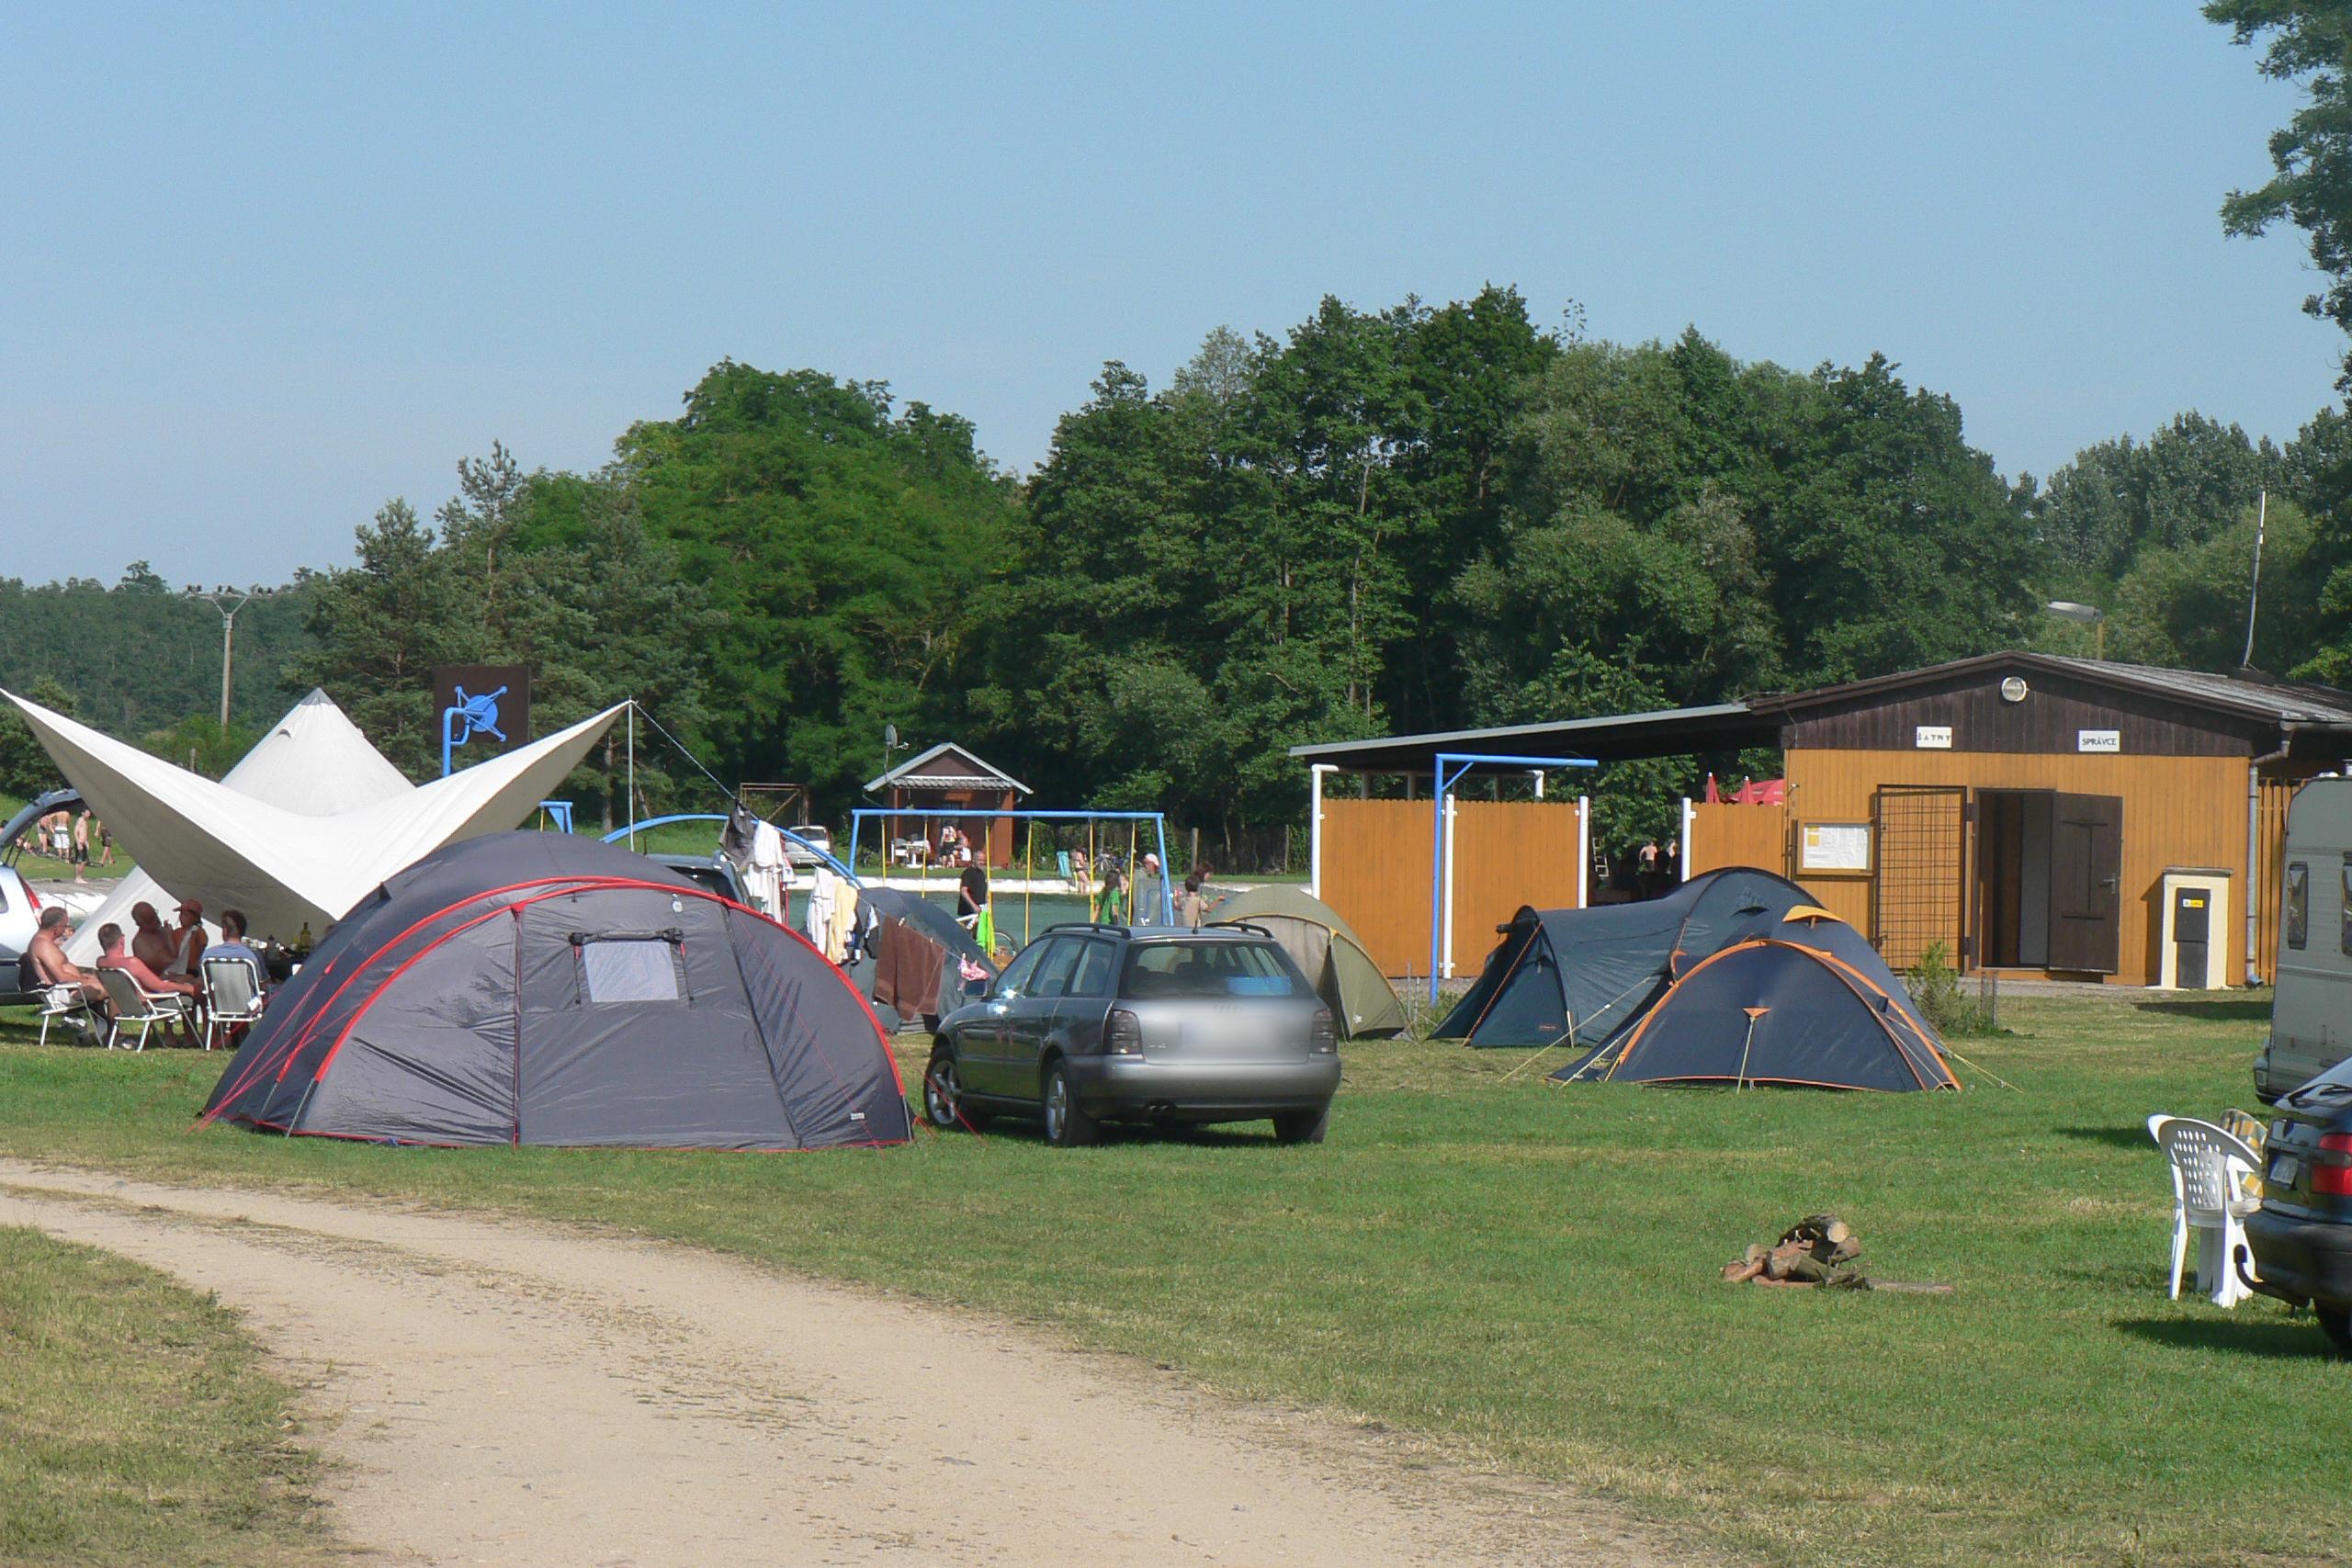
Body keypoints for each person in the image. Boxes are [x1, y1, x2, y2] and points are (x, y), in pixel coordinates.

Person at [95, 920, 198, 1043]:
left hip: (126, 1005)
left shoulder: (101, 963)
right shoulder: (132, 963)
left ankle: (170, 1038)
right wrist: (189, 989)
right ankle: (192, 1038)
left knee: (176, 983)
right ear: (121, 940)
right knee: (191, 997)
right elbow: (160, 987)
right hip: (147, 1005)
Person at [26, 906, 107, 1041]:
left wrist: (84, 978)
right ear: (56, 927)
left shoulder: (44, 942)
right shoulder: (43, 945)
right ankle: (109, 1036)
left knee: (105, 984)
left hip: (68, 988)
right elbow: (61, 976)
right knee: (108, 989)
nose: (65, 930)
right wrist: (84, 981)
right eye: (65, 926)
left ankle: (107, 1034)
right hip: (62, 993)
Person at [130, 902, 176, 976]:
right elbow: (164, 963)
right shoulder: (140, 943)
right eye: (150, 919)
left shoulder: (162, 931)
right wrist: (170, 936)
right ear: (139, 923)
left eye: (155, 914)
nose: (156, 920)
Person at [71, 811, 89, 884]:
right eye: (87, 813)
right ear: (82, 813)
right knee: (79, 861)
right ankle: (77, 878)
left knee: (84, 861)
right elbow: (75, 832)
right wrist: (78, 843)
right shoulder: (80, 820)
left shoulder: (85, 821)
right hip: (80, 843)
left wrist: (87, 841)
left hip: (83, 843)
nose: (88, 815)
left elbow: (85, 832)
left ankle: (80, 876)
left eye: (89, 814)